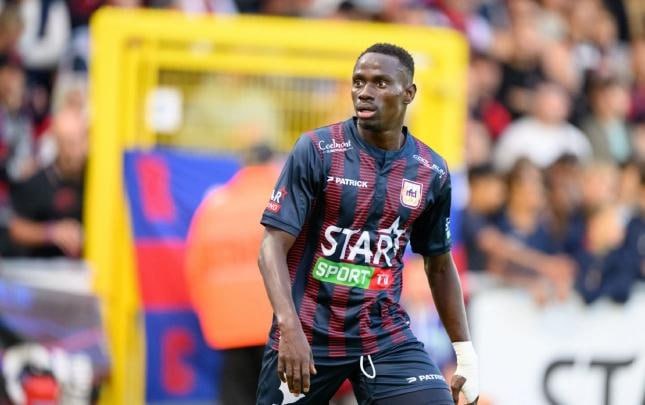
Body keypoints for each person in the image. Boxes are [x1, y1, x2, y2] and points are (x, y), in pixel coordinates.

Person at [256, 43, 479, 405]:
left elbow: (439, 265)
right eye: (359, 82)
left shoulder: (431, 171)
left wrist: (465, 352)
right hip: (308, 333)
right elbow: (271, 246)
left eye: (380, 83)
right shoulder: (316, 150)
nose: (364, 92)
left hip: (384, 336)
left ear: (408, 93)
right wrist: (289, 327)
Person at [8, 106, 86, 257]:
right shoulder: (38, 182)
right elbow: (16, 229)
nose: (77, 151)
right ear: (57, 143)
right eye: (69, 143)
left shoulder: (95, 181)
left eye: (81, 139)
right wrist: (53, 233)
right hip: (48, 266)